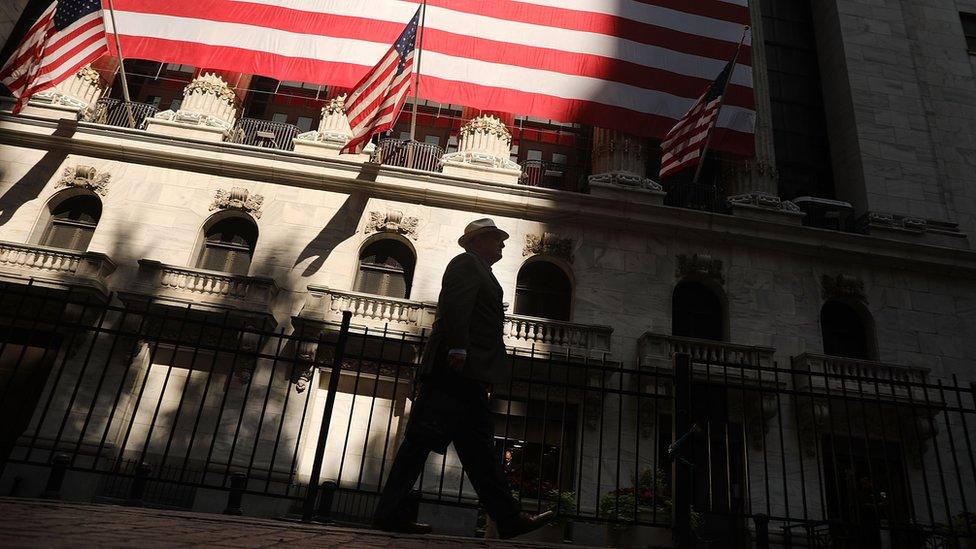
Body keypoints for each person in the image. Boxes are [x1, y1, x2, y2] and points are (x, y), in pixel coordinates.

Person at [372, 218, 553, 538]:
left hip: (468, 373)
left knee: (476, 450)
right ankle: (390, 513)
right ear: (478, 241)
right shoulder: (465, 264)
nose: (502, 244)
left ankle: (507, 518)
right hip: (454, 372)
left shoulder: (481, 269)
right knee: (423, 443)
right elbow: (456, 307)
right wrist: (457, 348)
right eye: (496, 238)